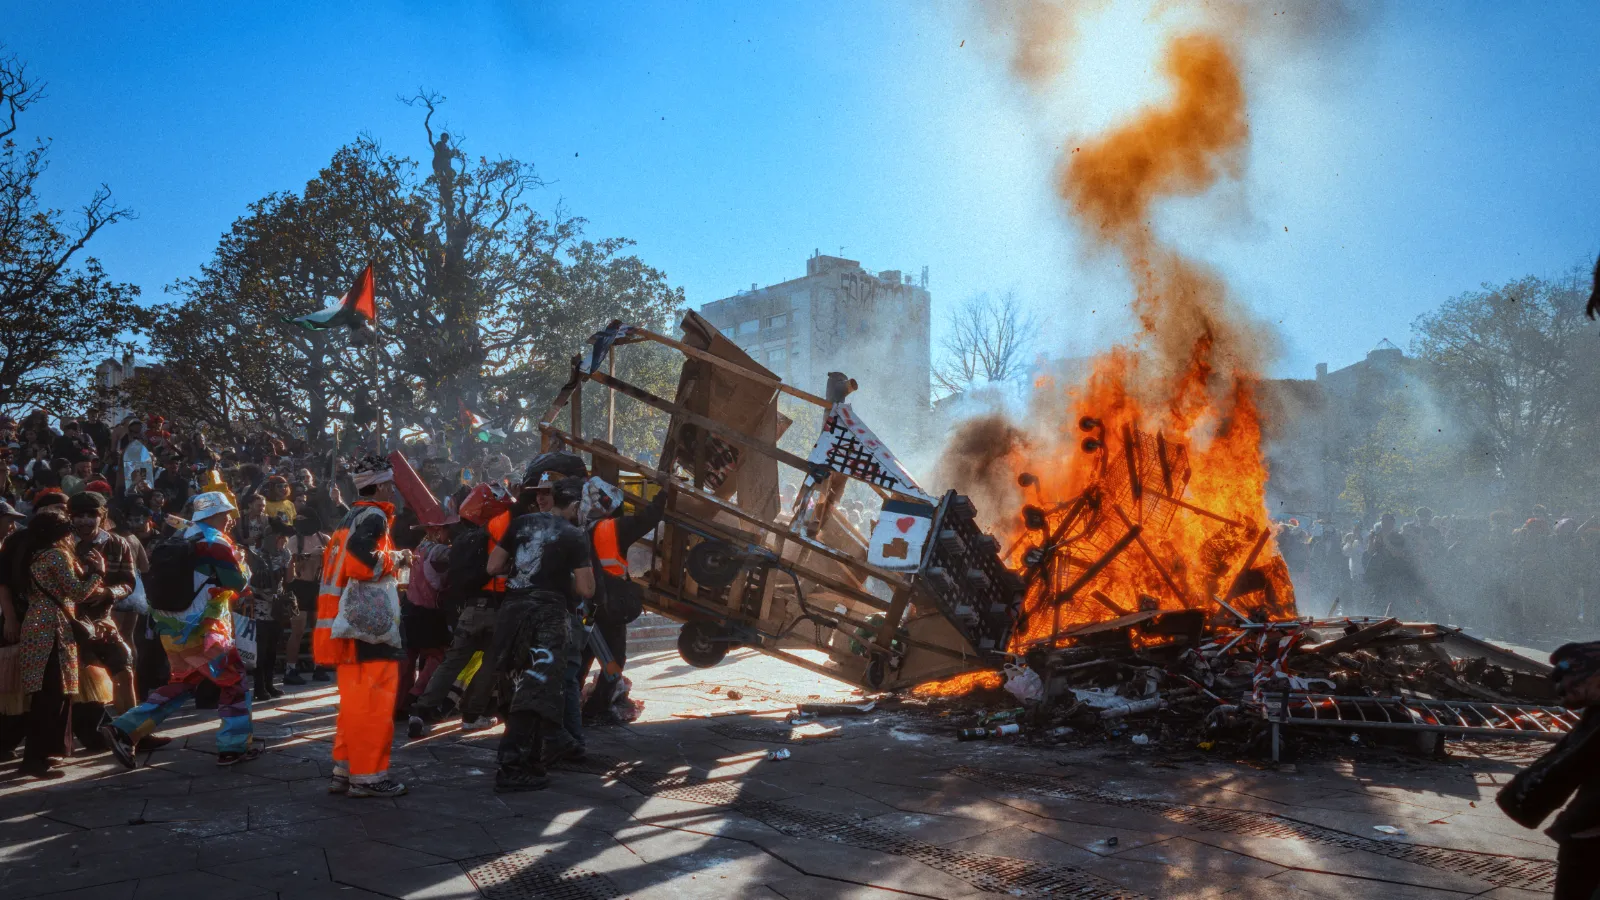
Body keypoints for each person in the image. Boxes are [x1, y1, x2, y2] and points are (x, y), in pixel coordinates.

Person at [101, 490, 262, 768]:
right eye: (226, 514)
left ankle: (125, 729)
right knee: (234, 681)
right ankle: (233, 747)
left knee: (184, 683)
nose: (229, 520)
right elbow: (238, 584)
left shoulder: (180, 537)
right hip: (205, 629)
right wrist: (243, 564)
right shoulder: (215, 542)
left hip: (172, 628)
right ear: (214, 515)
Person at [486, 475, 594, 793]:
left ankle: (532, 760)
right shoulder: (574, 535)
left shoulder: (523, 522)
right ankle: (512, 766)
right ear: (574, 505)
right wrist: (562, 579)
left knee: (515, 684)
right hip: (547, 615)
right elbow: (587, 588)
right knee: (537, 688)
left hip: (512, 612)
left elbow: (493, 566)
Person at [314, 456, 412, 798]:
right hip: (366, 629)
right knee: (373, 705)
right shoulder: (375, 516)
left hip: (344, 628)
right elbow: (361, 562)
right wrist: (398, 559)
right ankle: (369, 779)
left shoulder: (349, 516)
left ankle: (345, 771)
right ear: (382, 485)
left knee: (354, 705)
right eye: (391, 484)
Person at [407, 483, 512, 738]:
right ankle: (472, 715)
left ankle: (420, 710)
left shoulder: (461, 540)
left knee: (451, 663)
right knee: (490, 665)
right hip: (496, 606)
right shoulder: (496, 534)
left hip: (468, 611)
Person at [1498, 642, 1600, 899]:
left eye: (1575, 686)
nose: (1565, 694)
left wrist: (1523, 798)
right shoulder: (1595, 715)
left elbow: (1568, 766)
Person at [14, 508, 100, 778]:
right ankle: (34, 760)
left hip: (35, 625)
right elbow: (77, 591)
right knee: (52, 695)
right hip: (53, 629)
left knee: (44, 695)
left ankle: (42, 755)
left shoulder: (33, 554)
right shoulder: (56, 555)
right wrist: (98, 573)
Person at [579, 481, 664, 725]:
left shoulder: (577, 527)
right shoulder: (612, 528)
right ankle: (596, 709)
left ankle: (569, 703)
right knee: (614, 658)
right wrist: (664, 495)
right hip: (610, 603)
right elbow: (646, 520)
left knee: (583, 654)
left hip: (586, 601)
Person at [67, 491, 136, 751]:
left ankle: (132, 731)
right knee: (84, 684)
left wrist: (108, 593)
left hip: (104, 621)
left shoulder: (118, 543)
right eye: (79, 515)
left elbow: (128, 582)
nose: (85, 521)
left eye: (91, 515)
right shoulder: (62, 545)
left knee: (124, 666)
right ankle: (91, 736)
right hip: (69, 624)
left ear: (102, 516)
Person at [396, 519, 453, 719]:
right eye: (447, 529)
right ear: (437, 531)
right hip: (428, 614)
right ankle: (416, 695)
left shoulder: (419, 549)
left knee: (408, 659)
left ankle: (399, 704)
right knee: (437, 656)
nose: (450, 533)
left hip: (410, 610)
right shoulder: (438, 551)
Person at [282, 512, 331, 685]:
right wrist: (310, 555)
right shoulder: (294, 540)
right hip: (299, 586)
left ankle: (320, 666)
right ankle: (291, 669)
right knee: (298, 630)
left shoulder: (324, 538)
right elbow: (291, 567)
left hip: (318, 586)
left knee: (320, 630)